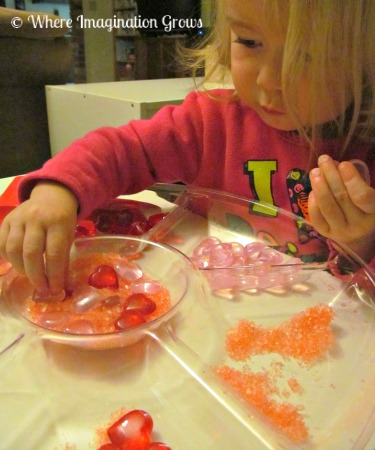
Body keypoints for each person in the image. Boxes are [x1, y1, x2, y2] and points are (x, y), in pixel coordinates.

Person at [0, 0, 374, 296]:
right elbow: (120, 149)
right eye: (249, 41)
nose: (269, 80)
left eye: (306, 55)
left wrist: (362, 242)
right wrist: (57, 192)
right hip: (194, 315)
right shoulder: (210, 122)